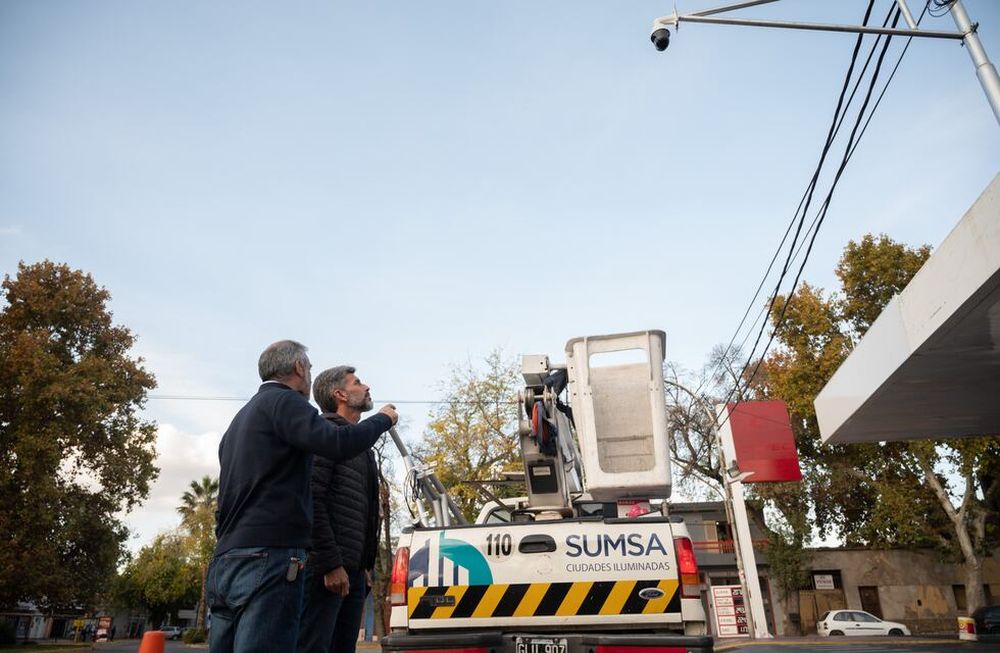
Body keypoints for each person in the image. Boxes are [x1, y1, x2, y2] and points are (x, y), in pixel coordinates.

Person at [207, 341, 398, 653]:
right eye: (308, 368)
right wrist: (383, 420)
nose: (309, 376)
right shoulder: (284, 402)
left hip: (227, 561)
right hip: (269, 560)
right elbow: (335, 443)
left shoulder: (239, 423)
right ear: (298, 368)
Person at [298, 367, 384, 653]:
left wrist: (363, 565)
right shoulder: (326, 435)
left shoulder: (360, 446)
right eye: (358, 383)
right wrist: (330, 564)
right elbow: (312, 500)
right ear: (340, 394)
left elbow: (362, 514)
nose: (367, 386)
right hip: (326, 572)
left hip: (354, 573)